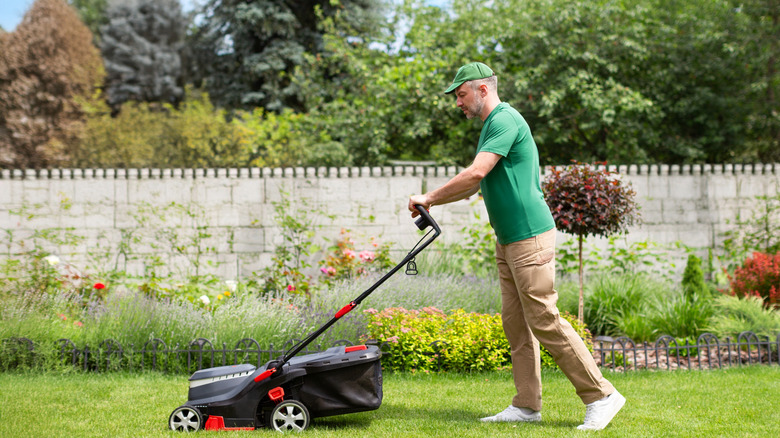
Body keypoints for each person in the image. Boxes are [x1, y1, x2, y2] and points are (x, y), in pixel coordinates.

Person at [407, 62, 625, 431]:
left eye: (461, 94)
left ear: (482, 90)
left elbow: (476, 173)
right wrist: (433, 202)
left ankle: (601, 395)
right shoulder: (491, 126)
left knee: (544, 318)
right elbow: (476, 184)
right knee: (517, 325)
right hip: (508, 238)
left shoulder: (505, 119)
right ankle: (526, 405)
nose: (457, 102)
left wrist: (428, 195)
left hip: (528, 236)